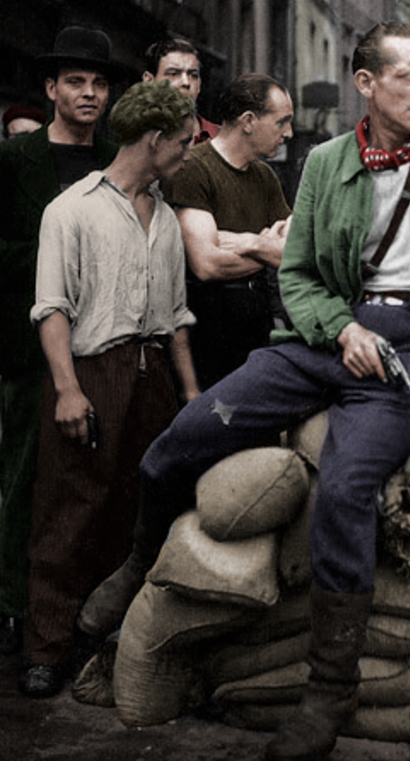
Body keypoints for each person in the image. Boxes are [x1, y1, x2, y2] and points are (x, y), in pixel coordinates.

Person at [77, 20, 410, 761]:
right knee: (189, 434)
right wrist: (340, 329)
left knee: (346, 490)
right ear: (366, 84)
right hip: (325, 337)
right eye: (408, 76)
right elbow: (295, 274)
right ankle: (139, 561)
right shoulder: (327, 163)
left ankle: (328, 693)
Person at [20, 79, 199, 698]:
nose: (186, 153)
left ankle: (105, 651)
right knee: (69, 511)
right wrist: (68, 392)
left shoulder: (168, 218)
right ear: (152, 140)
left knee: (135, 516)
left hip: (153, 380)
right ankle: (45, 649)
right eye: (181, 142)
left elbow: (176, 320)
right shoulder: (70, 210)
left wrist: (192, 397)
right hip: (92, 374)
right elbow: (51, 311)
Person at [0, 27, 123, 659]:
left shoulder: (114, 161)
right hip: (28, 348)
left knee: (88, 483)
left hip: (100, 345)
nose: (89, 93)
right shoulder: (14, 161)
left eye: (99, 83)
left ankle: (75, 616)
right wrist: (53, 262)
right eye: (75, 81)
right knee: (25, 478)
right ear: (50, 89)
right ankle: (19, 611)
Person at [162, 73, 294, 387]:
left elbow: (298, 248)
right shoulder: (195, 168)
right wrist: (269, 250)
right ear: (249, 121)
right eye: (281, 122)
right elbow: (207, 265)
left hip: (256, 326)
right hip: (210, 331)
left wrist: (250, 244)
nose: (289, 133)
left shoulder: (266, 177)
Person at [142, 36, 219, 143]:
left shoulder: (224, 140)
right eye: (174, 74)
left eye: (193, 75)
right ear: (149, 81)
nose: (186, 82)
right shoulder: (133, 141)